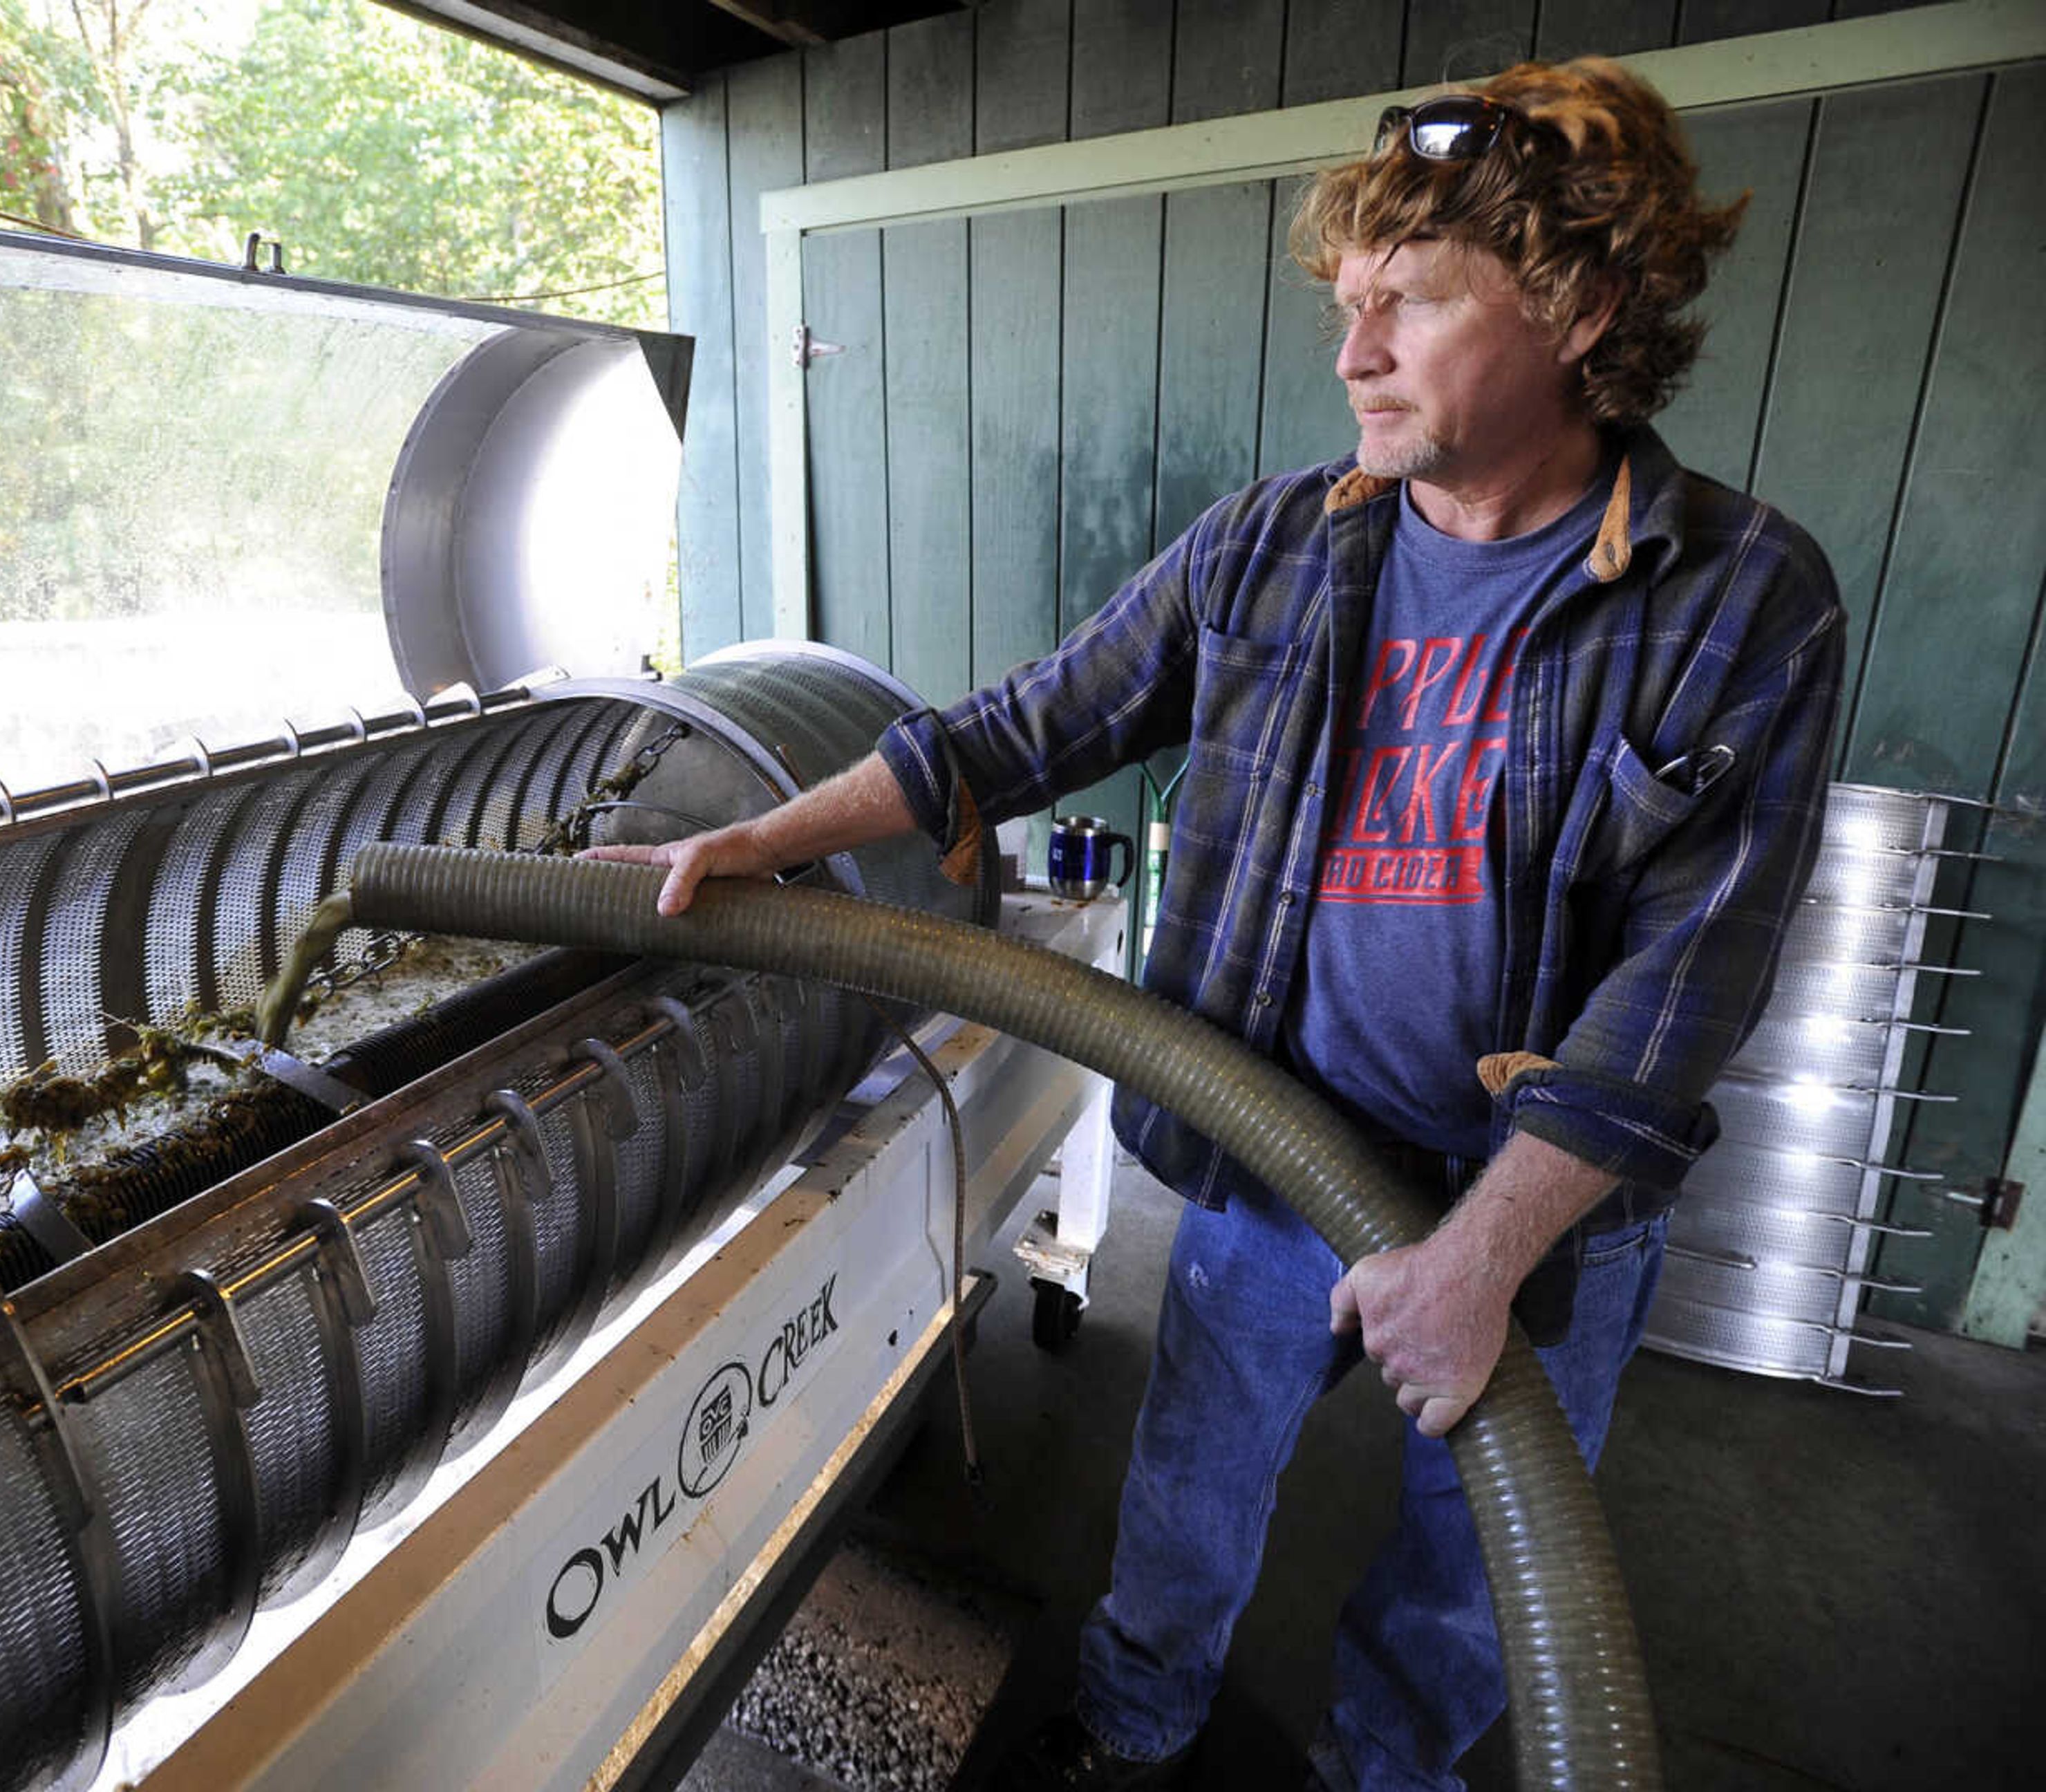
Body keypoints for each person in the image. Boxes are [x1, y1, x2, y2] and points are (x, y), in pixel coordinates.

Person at [590, 57, 1841, 1792]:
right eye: (1348, 303)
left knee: (1475, 1567)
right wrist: (761, 836)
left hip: (1536, 1216)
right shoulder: (1274, 548)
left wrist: (1479, 1258)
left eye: (1409, 305)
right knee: (1187, 1498)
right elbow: (1018, 728)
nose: (1355, 352)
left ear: (1587, 307)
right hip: (1277, 1161)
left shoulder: (1743, 599)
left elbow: (1692, 970)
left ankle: (1384, 1776)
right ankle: (1132, 1728)